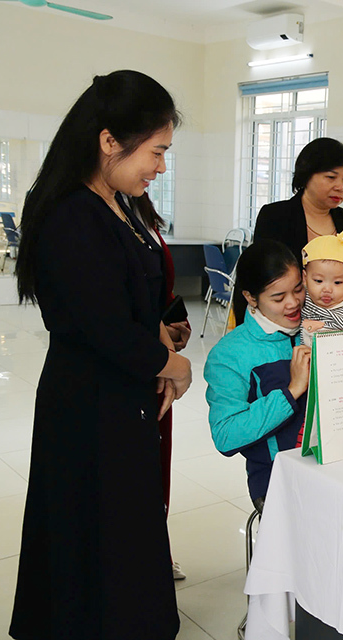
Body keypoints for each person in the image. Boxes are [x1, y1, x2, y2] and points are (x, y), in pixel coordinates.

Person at [10, 70, 192, 640]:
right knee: (87, 520)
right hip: (87, 400)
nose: (161, 166)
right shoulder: (71, 215)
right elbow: (103, 326)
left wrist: (161, 340)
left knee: (125, 520)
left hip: (123, 393)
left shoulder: (117, 202)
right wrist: (174, 366)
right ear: (110, 141)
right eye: (157, 151)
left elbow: (136, 296)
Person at [204, 240, 310, 512]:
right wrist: (292, 391)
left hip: (333, 465)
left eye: (298, 288)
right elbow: (225, 436)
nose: (293, 302)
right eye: (278, 297)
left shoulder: (316, 328)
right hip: (277, 478)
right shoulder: (231, 354)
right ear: (251, 297)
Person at [123, 191, 191, 581]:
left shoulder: (135, 209)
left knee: (154, 463)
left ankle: (151, 549)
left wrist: (167, 329)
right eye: (154, 151)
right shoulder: (91, 214)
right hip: (131, 365)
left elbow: (153, 294)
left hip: (154, 360)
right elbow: (113, 311)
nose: (160, 168)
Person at [254, 137, 343, 287]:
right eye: (331, 177)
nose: (340, 187)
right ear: (306, 176)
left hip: (340, 309)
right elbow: (258, 275)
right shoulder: (274, 216)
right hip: (288, 307)